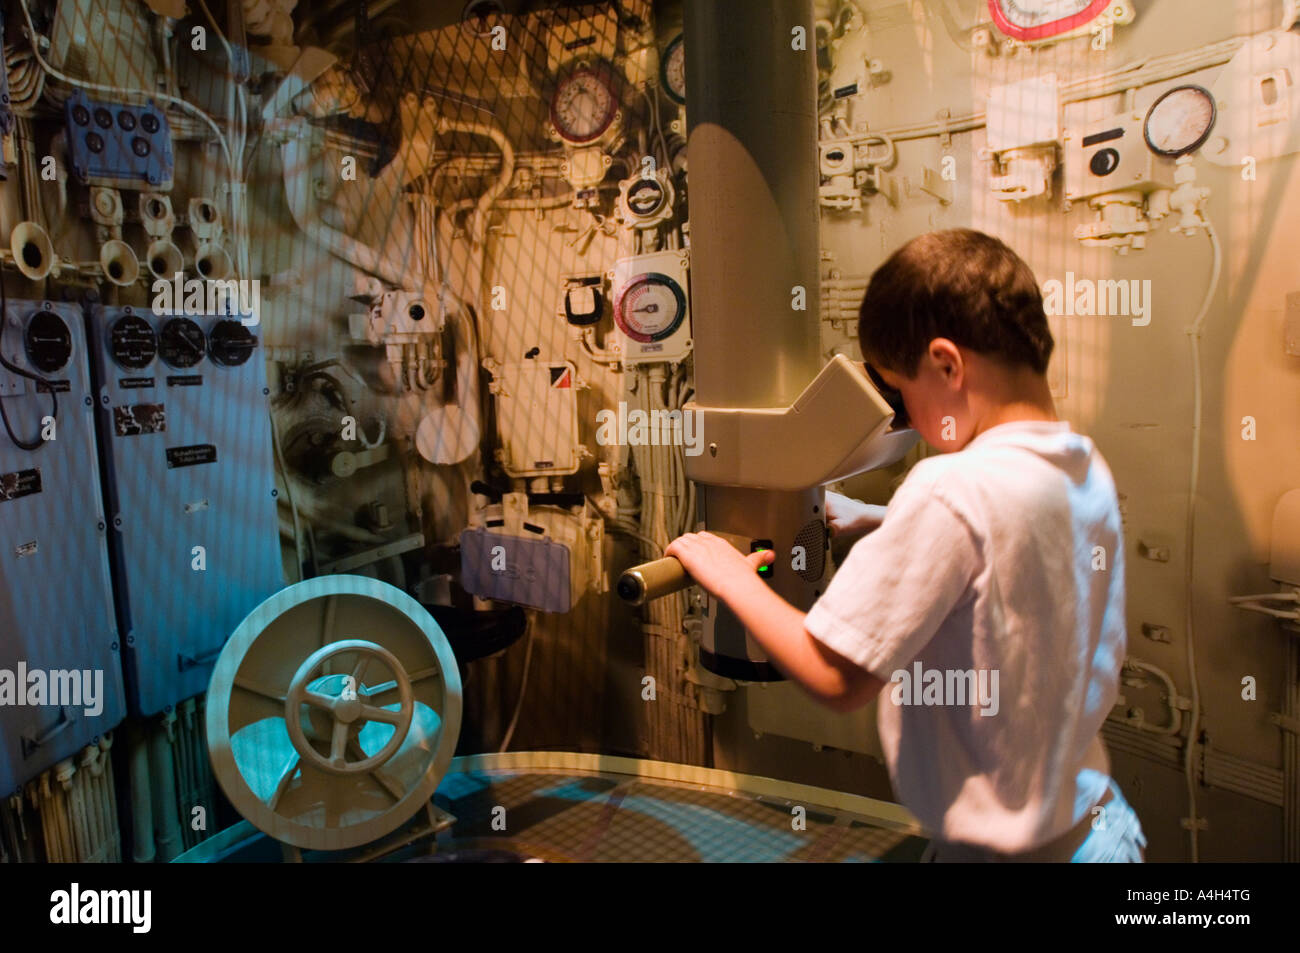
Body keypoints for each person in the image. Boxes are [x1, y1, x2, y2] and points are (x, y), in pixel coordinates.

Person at [665, 228, 1146, 862]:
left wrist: (730, 576)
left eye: (902, 392)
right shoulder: (1080, 465)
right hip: (1098, 830)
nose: (909, 422)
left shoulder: (949, 489)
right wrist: (881, 519)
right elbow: (1012, 550)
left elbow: (834, 676)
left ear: (947, 364)